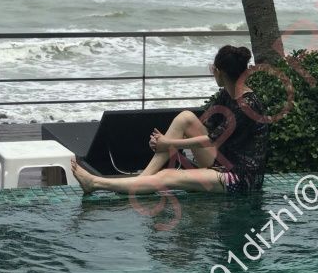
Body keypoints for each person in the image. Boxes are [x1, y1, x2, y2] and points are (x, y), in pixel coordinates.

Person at [71, 45, 269, 195]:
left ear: (220, 72)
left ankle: (95, 183)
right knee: (185, 118)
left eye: (212, 69)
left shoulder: (246, 106)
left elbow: (210, 140)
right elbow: (204, 128)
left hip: (241, 178)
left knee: (167, 177)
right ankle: (142, 179)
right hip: (223, 160)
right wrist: (166, 143)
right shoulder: (228, 94)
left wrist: (169, 143)